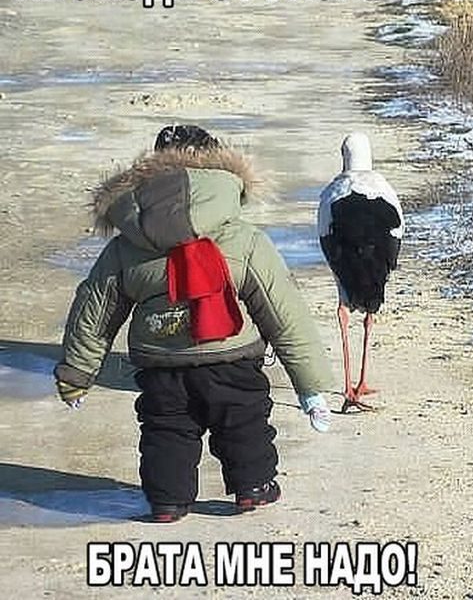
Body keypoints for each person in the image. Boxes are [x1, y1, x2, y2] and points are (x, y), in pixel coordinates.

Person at [54, 124, 334, 523]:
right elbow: (283, 310)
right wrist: (311, 387)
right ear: (220, 169)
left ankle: (168, 501)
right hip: (232, 357)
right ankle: (252, 487)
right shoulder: (244, 238)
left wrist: (76, 372)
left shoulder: (128, 243)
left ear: (148, 170)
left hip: (161, 363)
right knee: (244, 421)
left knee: (166, 430)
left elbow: (95, 308)